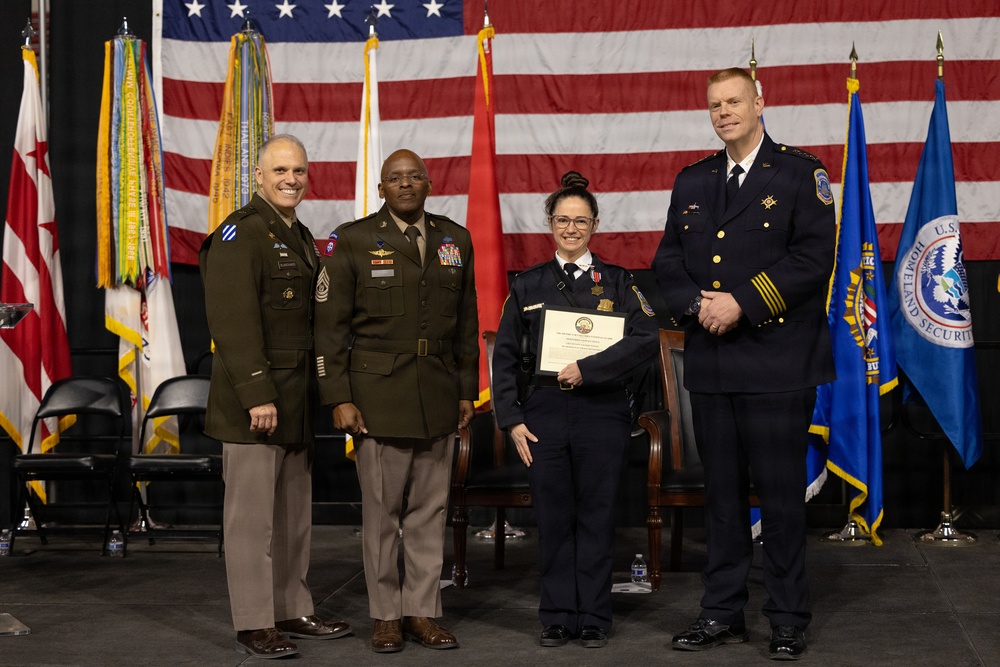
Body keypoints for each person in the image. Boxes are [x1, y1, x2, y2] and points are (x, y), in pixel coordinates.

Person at [651, 67, 836, 660]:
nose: (724, 111)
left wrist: (742, 304)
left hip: (777, 362)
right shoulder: (693, 180)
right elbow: (668, 262)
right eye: (714, 104)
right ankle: (722, 612)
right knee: (722, 496)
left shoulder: (802, 173)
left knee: (779, 497)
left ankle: (785, 617)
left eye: (734, 101)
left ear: (760, 102)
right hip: (713, 363)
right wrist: (698, 306)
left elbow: (813, 259)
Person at [313, 149, 479, 653]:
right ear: (381, 188)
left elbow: (467, 324)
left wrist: (467, 389)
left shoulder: (456, 238)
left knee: (429, 514)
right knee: (382, 516)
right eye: (394, 179)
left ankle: (422, 612)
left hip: (437, 394)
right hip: (376, 399)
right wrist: (338, 396)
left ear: (428, 184)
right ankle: (386, 615)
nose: (405, 185)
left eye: (414, 177)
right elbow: (329, 328)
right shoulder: (354, 239)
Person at [491, 172, 659, 649]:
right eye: (562, 220)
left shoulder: (621, 282)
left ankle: (594, 617)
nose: (571, 229)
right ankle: (559, 614)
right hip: (542, 411)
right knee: (554, 515)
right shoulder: (527, 285)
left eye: (580, 221)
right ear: (550, 223)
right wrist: (512, 418)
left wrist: (590, 368)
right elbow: (503, 357)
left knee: (597, 515)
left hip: (601, 409)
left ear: (595, 224)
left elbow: (646, 339)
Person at [200, 134, 352, 659]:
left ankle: (291, 608)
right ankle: (253, 622)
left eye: (299, 172)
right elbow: (233, 322)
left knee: (292, 516)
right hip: (257, 403)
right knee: (251, 522)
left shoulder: (297, 234)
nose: (291, 180)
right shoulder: (240, 234)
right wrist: (256, 395)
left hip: (296, 397)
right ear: (259, 176)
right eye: (281, 170)